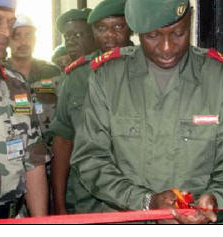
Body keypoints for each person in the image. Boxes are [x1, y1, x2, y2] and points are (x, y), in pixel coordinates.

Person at [70, 0, 223, 224]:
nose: (167, 47)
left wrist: (216, 199)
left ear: (190, 18)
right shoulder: (108, 79)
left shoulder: (218, 79)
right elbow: (90, 158)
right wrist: (145, 201)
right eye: (153, 36)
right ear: (137, 31)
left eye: (178, 33)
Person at [50, 0, 133, 214]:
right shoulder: (77, 76)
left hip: (139, 198)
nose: (109, 36)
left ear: (131, 27)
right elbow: (63, 141)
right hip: (89, 200)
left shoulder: (149, 67)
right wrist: (59, 204)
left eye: (118, 27)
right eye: (102, 28)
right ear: (94, 31)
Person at [0, 0, 49, 219]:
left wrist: (41, 225)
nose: (5, 32)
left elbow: (34, 159)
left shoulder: (17, 86)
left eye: (9, 23)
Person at [5, 14, 61, 146]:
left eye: (28, 35)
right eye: (16, 36)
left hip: (50, 152)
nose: (23, 42)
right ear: (8, 40)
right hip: (11, 155)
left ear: (35, 39)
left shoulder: (52, 72)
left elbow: (65, 118)